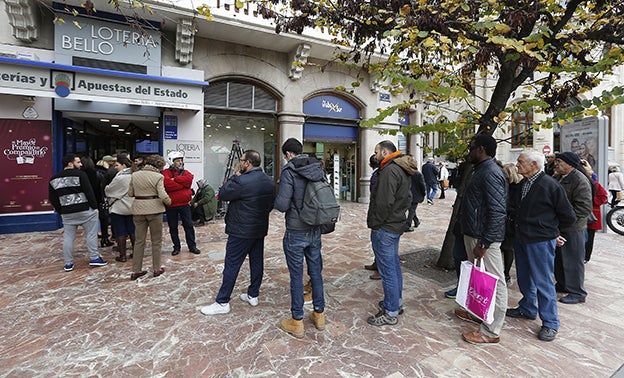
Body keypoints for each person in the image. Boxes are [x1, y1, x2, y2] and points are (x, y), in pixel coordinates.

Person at [507, 150, 576, 342]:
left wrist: (553, 233)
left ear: (534, 165)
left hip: (540, 241)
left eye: (521, 162)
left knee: (543, 281)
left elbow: (568, 216)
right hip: (522, 238)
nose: (517, 165)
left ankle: (550, 322)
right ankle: (527, 308)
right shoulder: (523, 183)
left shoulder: (550, 185)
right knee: (524, 276)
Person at [200, 150, 275, 315]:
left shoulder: (241, 181)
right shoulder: (268, 181)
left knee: (232, 264)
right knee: (256, 262)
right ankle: (253, 294)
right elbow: (270, 205)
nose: (239, 162)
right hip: (259, 228)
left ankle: (222, 301)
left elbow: (223, 194)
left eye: (241, 160)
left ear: (247, 163)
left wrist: (235, 175)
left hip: (241, 230)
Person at [453, 134, 507, 345]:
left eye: (471, 147)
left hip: (484, 238)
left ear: (481, 149)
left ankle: (491, 331)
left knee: (494, 280)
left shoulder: (491, 173)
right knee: (479, 277)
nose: (469, 151)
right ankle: (479, 312)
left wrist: (484, 242)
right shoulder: (482, 170)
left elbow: (497, 211)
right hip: (475, 233)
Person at [275, 138, 327, 338]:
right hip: (315, 228)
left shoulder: (290, 171)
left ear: (288, 154)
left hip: (296, 230)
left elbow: (281, 205)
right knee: (316, 273)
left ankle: (297, 321)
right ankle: (319, 315)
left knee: (296, 276)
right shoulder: (317, 168)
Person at [367, 140, 417, 326]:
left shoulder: (389, 170)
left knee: (388, 270)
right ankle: (395, 302)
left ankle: (390, 312)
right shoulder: (400, 167)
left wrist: (375, 224)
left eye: (376, 151)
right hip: (394, 225)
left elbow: (383, 202)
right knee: (393, 267)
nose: (375, 155)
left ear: (385, 152)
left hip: (386, 227)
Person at [49, 154, 108, 271]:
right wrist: (95, 207)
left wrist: (61, 211)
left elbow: (53, 198)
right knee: (91, 234)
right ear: (70, 164)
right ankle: (95, 258)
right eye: (78, 162)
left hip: (67, 213)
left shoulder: (53, 179)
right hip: (85, 210)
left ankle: (68, 263)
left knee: (68, 237)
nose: (81, 164)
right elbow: (88, 191)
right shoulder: (81, 175)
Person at [553, 151, 592, 304]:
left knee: (573, 260)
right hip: (560, 226)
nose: (556, 164)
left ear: (569, 164)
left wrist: (565, 220)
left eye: (559, 162)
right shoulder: (559, 177)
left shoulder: (579, 180)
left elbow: (583, 208)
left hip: (573, 228)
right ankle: (563, 284)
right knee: (561, 259)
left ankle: (577, 292)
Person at [127, 154, 171, 280]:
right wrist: (169, 202)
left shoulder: (134, 175)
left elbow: (130, 193)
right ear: (158, 166)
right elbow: (162, 195)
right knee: (156, 241)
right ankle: (156, 268)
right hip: (154, 209)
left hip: (138, 209)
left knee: (139, 241)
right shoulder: (158, 176)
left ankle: (136, 270)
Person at [163, 151, 200, 255]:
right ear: (171, 162)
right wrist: (182, 185)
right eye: (178, 161)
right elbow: (167, 185)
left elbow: (189, 180)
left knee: (188, 226)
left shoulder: (185, 172)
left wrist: (175, 179)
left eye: (181, 160)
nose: (180, 163)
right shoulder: (166, 173)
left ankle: (192, 246)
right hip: (171, 205)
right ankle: (176, 247)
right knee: (173, 227)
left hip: (184, 205)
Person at [104, 156, 135, 262]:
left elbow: (109, 190)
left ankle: (122, 256)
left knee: (120, 231)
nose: (115, 168)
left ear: (124, 165)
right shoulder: (135, 175)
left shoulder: (120, 178)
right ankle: (136, 253)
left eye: (117, 165)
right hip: (133, 207)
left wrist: (106, 188)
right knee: (133, 230)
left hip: (119, 208)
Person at [579, 159, 608, 263]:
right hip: (582, 214)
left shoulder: (595, 184)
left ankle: (586, 256)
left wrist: (591, 200)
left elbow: (603, 197)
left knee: (589, 238)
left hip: (592, 215)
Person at [501, 163, 523, 283]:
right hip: (504, 219)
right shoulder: (506, 186)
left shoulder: (517, 188)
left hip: (510, 221)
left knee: (508, 248)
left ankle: (506, 273)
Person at [364, 154, 382, 280]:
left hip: (378, 215)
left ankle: (380, 269)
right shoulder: (378, 175)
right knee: (375, 240)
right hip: (376, 214)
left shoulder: (378, 176)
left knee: (378, 242)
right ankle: (376, 264)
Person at [95, 159, 114, 247]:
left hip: (94, 200)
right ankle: (104, 238)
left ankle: (101, 235)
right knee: (104, 219)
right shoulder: (103, 174)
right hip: (102, 199)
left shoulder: (93, 173)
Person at [405, 160, 426, 231]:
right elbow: (422, 185)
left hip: (408, 194)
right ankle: (407, 225)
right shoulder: (418, 174)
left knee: (412, 209)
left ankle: (416, 221)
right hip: (416, 195)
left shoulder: (407, 173)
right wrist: (423, 193)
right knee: (412, 210)